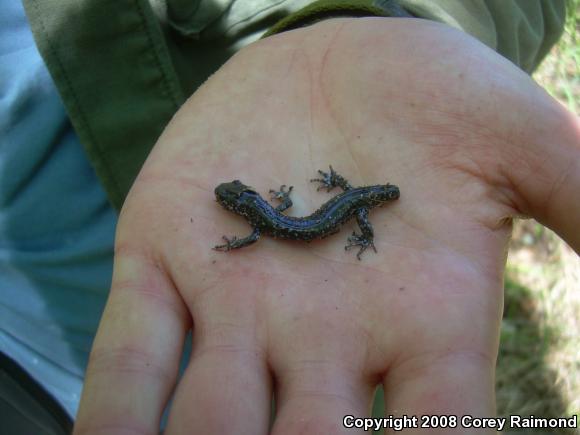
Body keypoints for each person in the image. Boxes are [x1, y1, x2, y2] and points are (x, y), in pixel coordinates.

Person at [1, 1, 576, 434]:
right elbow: (264, 223)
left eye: (234, 201)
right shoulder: (269, 216)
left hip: (338, 213)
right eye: (234, 201)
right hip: (49, 356)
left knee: (355, 212)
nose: (235, 205)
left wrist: (390, 19)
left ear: (243, 203)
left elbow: (260, 229)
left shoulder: (274, 219)